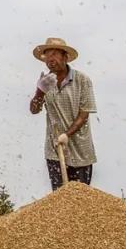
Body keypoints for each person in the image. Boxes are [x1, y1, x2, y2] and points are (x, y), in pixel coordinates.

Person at [28, 37, 97, 190]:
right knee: (59, 200)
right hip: (55, 150)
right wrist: (39, 92)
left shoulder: (82, 80)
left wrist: (67, 134)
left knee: (80, 198)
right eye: (47, 55)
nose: (50, 59)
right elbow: (34, 110)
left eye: (54, 54)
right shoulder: (45, 82)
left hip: (80, 151)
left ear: (65, 57)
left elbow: (84, 114)